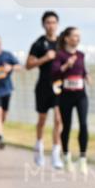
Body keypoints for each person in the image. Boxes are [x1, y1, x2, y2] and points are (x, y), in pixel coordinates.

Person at [26, 11, 64, 168]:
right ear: (43, 25)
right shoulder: (39, 44)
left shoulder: (63, 43)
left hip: (59, 87)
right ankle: (39, 147)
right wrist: (44, 58)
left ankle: (56, 154)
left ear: (57, 24)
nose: (51, 25)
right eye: (48, 22)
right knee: (42, 120)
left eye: (54, 22)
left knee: (58, 119)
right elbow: (28, 65)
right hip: (43, 86)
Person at [52, 27, 91, 174]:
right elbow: (54, 73)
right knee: (66, 126)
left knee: (83, 124)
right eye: (74, 36)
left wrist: (87, 76)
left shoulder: (81, 55)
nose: (77, 38)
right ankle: (67, 157)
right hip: (65, 96)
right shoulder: (60, 55)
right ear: (67, 38)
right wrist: (66, 65)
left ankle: (82, 159)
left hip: (81, 95)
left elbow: (82, 70)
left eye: (78, 36)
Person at [0, 34, 21, 150]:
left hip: (6, 89)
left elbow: (19, 66)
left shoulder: (7, 55)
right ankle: (0, 136)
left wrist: (10, 68)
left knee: (3, 116)